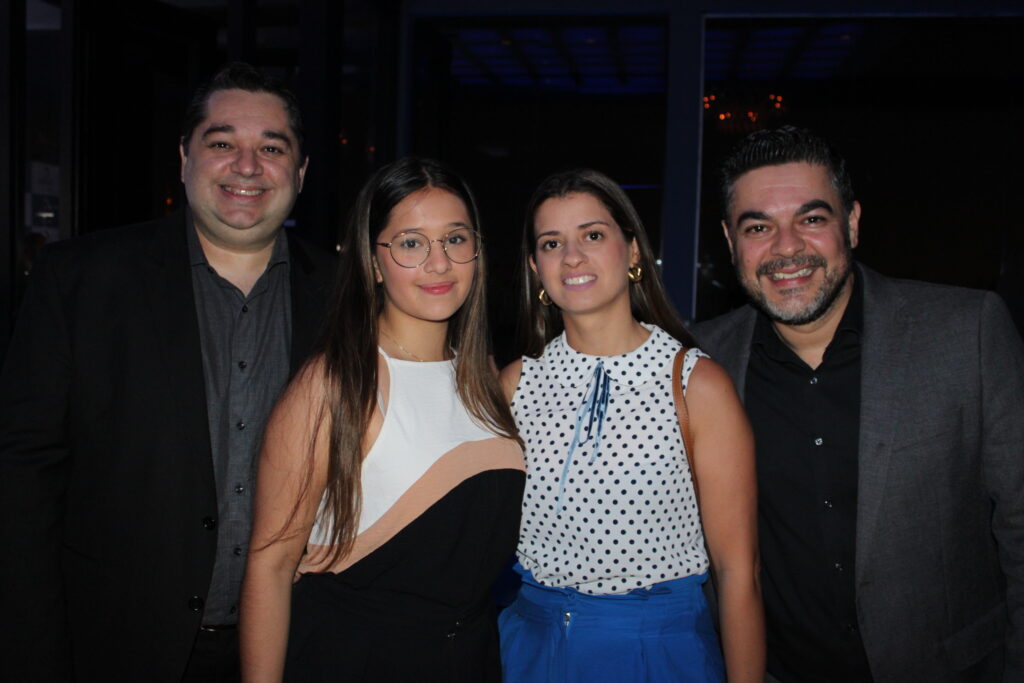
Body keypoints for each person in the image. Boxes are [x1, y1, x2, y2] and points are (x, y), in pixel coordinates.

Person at [0, 62, 335, 682]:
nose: (246, 166)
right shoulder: (79, 282)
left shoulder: (347, 300)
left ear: (302, 172)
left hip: (293, 648)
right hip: (112, 646)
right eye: (222, 143)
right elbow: (23, 487)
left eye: (271, 147)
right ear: (185, 157)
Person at [692, 125, 1024, 683]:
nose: (786, 247)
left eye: (812, 219)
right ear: (730, 243)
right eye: (758, 227)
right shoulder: (697, 363)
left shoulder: (968, 333)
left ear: (852, 222)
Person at [239, 157, 525, 682]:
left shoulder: (487, 378)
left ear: (477, 251)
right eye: (412, 243)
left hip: (470, 660)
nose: (440, 263)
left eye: (456, 239)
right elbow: (271, 565)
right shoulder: (333, 384)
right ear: (373, 262)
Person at [498, 168, 764, 682]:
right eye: (552, 243)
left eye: (592, 235)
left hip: (658, 652)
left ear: (634, 252)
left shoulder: (695, 385)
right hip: (529, 648)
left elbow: (739, 575)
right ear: (536, 267)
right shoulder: (514, 384)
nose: (572, 257)